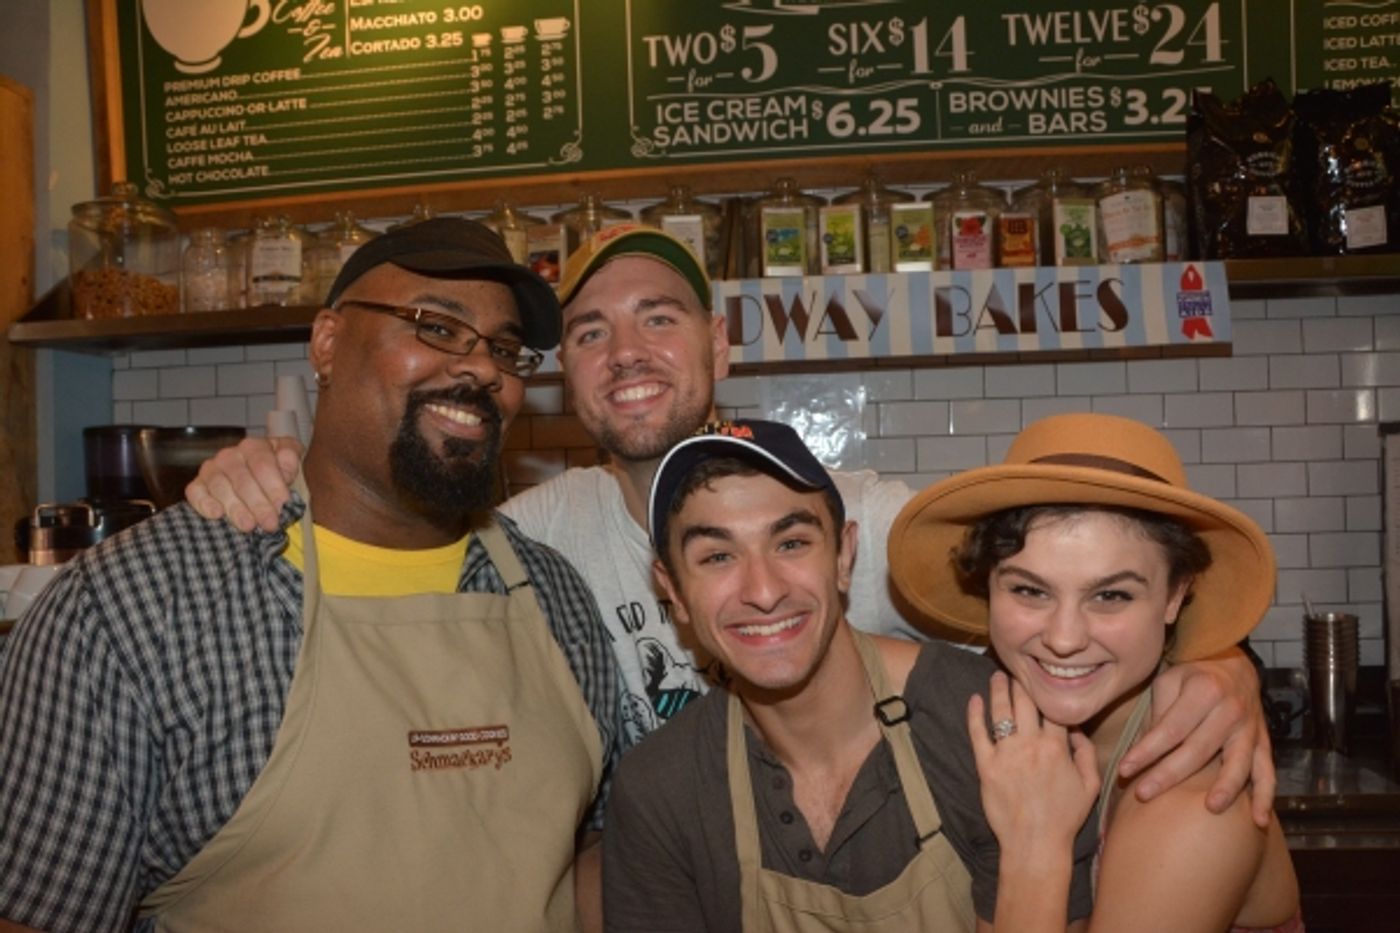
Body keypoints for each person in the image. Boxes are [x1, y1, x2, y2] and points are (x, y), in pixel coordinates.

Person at [185, 224, 1276, 822]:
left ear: (718, 346)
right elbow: (383, 552)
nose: (626, 352)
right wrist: (271, 471)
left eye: (657, 319)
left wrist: (1218, 664)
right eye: (591, 332)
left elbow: (1069, 585)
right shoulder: (528, 540)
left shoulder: (857, 515)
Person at [0, 219, 624, 932]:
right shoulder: (132, 607)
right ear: (327, 342)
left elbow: (589, 852)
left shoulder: (555, 597)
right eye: (437, 326)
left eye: (504, 350)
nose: (484, 369)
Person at [603, 418, 1096, 932]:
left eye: (791, 543)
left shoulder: (993, 731)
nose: (764, 592)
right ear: (674, 591)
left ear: (843, 555)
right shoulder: (660, 790)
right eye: (718, 556)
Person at [887, 413, 1301, 931]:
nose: (1064, 639)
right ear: (987, 584)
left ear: (1175, 595)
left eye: (1111, 596)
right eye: (1029, 590)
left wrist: (1035, 844)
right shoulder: (978, 701)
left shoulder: (1196, 808)